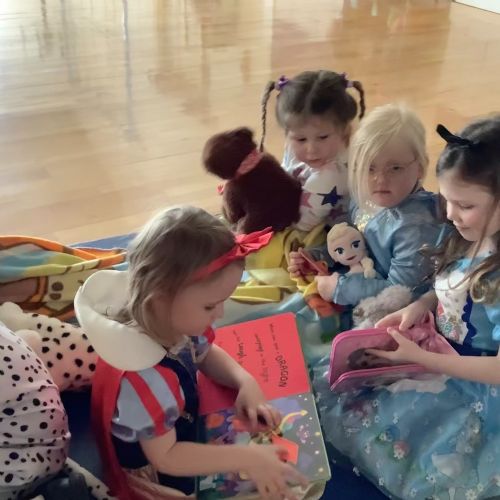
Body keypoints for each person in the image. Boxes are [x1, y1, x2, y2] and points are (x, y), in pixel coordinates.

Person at [315, 116, 500, 499]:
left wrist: (423, 359)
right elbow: (455, 285)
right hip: (438, 347)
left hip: (474, 383)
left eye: (465, 205)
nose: (449, 215)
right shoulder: (472, 233)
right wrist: (420, 305)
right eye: (446, 199)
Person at [75, 206, 306, 500]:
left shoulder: (172, 321)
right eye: (210, 306)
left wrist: (244, 381)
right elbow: (167, 457)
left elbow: (205, 354)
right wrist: (247, 458)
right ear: (159, 300)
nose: (220, 314)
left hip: (180, 426)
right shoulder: (143, 377)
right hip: (158, 465)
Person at [261, 70, 365, 232]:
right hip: (300, 212)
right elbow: (285, 173)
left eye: (322, 137)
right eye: (301, 139)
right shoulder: (293, 144)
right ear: (287, 134)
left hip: (329, 232)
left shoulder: (332, 175)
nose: (311, 149)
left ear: (345, 130)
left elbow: (302, 224)